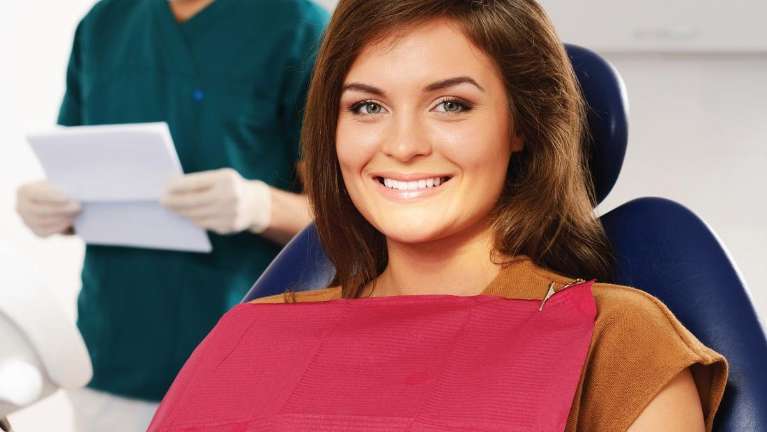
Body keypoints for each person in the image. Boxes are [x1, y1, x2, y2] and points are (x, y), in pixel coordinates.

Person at [148, 1, 728, 431]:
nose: (402, 145)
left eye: (451, 104)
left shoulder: (619, 340)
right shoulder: (252, 335)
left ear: (521, 125)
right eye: (367, 106)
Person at [14, 0, 328, 430]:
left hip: (245, 365)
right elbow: (87, 177)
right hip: (111, 356)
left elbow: (345, 219)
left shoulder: (297, 27)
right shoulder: (106, 21)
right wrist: (57, 210)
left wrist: (262, 206)